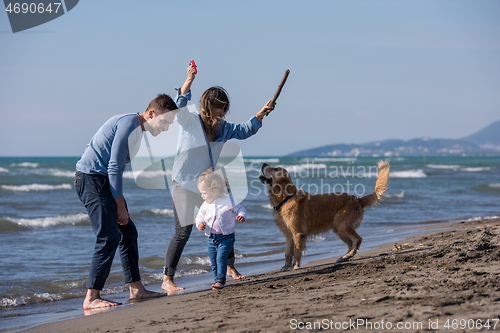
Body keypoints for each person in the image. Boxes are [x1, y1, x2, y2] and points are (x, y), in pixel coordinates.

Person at [161, 63, 273, 292]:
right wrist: (189, 79)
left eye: (225, 109)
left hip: (208, 184)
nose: (223, 112)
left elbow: (244, 130)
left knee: (225, 218)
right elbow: (179, 103)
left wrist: (261, 114)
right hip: (183, 182)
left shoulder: (222, 128)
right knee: (183, 231)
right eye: (220, 108)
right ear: (209, 105)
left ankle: (230, 267)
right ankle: (167, 279)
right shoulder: (190, 120)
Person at [74, 93, 178, 310]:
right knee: (109, 236)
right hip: (91, 179)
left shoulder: (138, 126)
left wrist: (186, 86)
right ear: (151, 114)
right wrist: (120, 205)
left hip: (101, 180)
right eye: (164, 122)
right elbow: (114, 166)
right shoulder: (130, 124)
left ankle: (136, 289)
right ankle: (91, 298)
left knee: (127, 232)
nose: (166, 128)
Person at [195, 170, 246, 290]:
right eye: (201, 193)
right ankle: (216, 279)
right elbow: (199, 217)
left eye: (204, 193)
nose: (202, 196)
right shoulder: (205, 205)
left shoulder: (228, 201)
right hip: (211, 239)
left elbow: (240, 208)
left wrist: (242, 215)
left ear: (214, 191)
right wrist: (199, 224)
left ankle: (220, 281)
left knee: (221, 258)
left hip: (226, 238)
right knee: (213, 261)